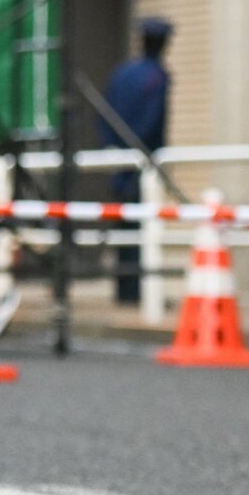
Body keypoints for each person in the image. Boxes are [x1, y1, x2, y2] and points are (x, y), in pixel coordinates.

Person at [99, 16, 173, 304]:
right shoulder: (158, 76)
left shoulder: (122, 74)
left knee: (124, 223)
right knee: (142, 225)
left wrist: (112, 149)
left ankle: (125, 289)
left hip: (119, 160)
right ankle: (139, 291)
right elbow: (153, 122)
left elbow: (104, 114)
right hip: (143, 161)